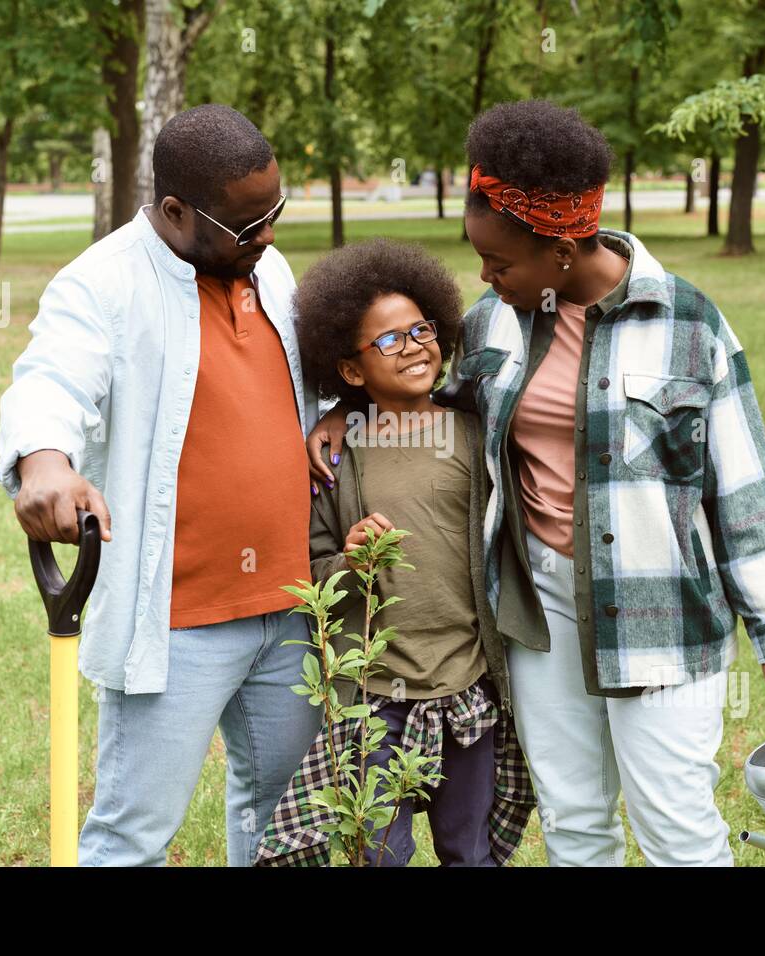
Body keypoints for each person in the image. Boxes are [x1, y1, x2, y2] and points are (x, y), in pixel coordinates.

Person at [307, 100, 765, 866]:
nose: (483, 277)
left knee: (676, 829)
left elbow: (742, 490)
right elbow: (431, 403)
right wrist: (345, 410)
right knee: (575, 823)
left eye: (500, 262)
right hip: (541, 612)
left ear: (563, 250)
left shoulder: (688, 323)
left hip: (660, 619)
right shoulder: (493, 325)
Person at [0, 104, 322, 867]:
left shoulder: (265, 268)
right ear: (175, 211)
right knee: (132, 837)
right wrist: (45, 461)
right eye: (249, 224)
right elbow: (51, 379)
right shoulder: (100, 284)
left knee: (284, 824)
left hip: (292, 605)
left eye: (276, 214)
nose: (269, 236)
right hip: (178, 620)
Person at [256, 238, 534, 867]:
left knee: (471, 847)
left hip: (467, 687)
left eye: (421, 329)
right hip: (376, 698)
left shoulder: (474, 433)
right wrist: (348, 563)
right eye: (388, 341)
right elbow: (311, 567)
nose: (412, 346)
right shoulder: (338, 458)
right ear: (351, 372)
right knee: (379, 852)